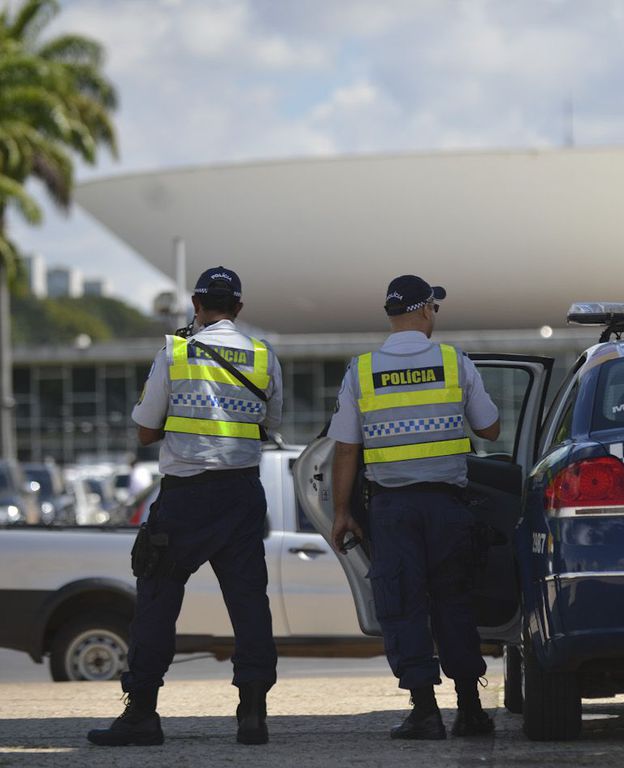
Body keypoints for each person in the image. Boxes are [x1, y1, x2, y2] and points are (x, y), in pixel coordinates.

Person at [87, 266, 283, 748]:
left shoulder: (175, 352)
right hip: (241, 494)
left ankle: (142, 715)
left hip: (186, 496)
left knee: (156, 600)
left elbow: (146, 431)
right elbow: (268, 424)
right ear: (238, 308)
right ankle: (253, 713)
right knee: (248, 603)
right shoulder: (263, 355)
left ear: (196, 305)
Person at [328, 275, 500, 741]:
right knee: (454, 604)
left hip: (392, 511)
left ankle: (424, 712)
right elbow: (490, 430)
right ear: (425, 311)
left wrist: (341, 511)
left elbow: (345, 449)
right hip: (447, 507)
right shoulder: (454, 361)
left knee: (402, 606)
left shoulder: (361, 371)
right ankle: (471, 710)